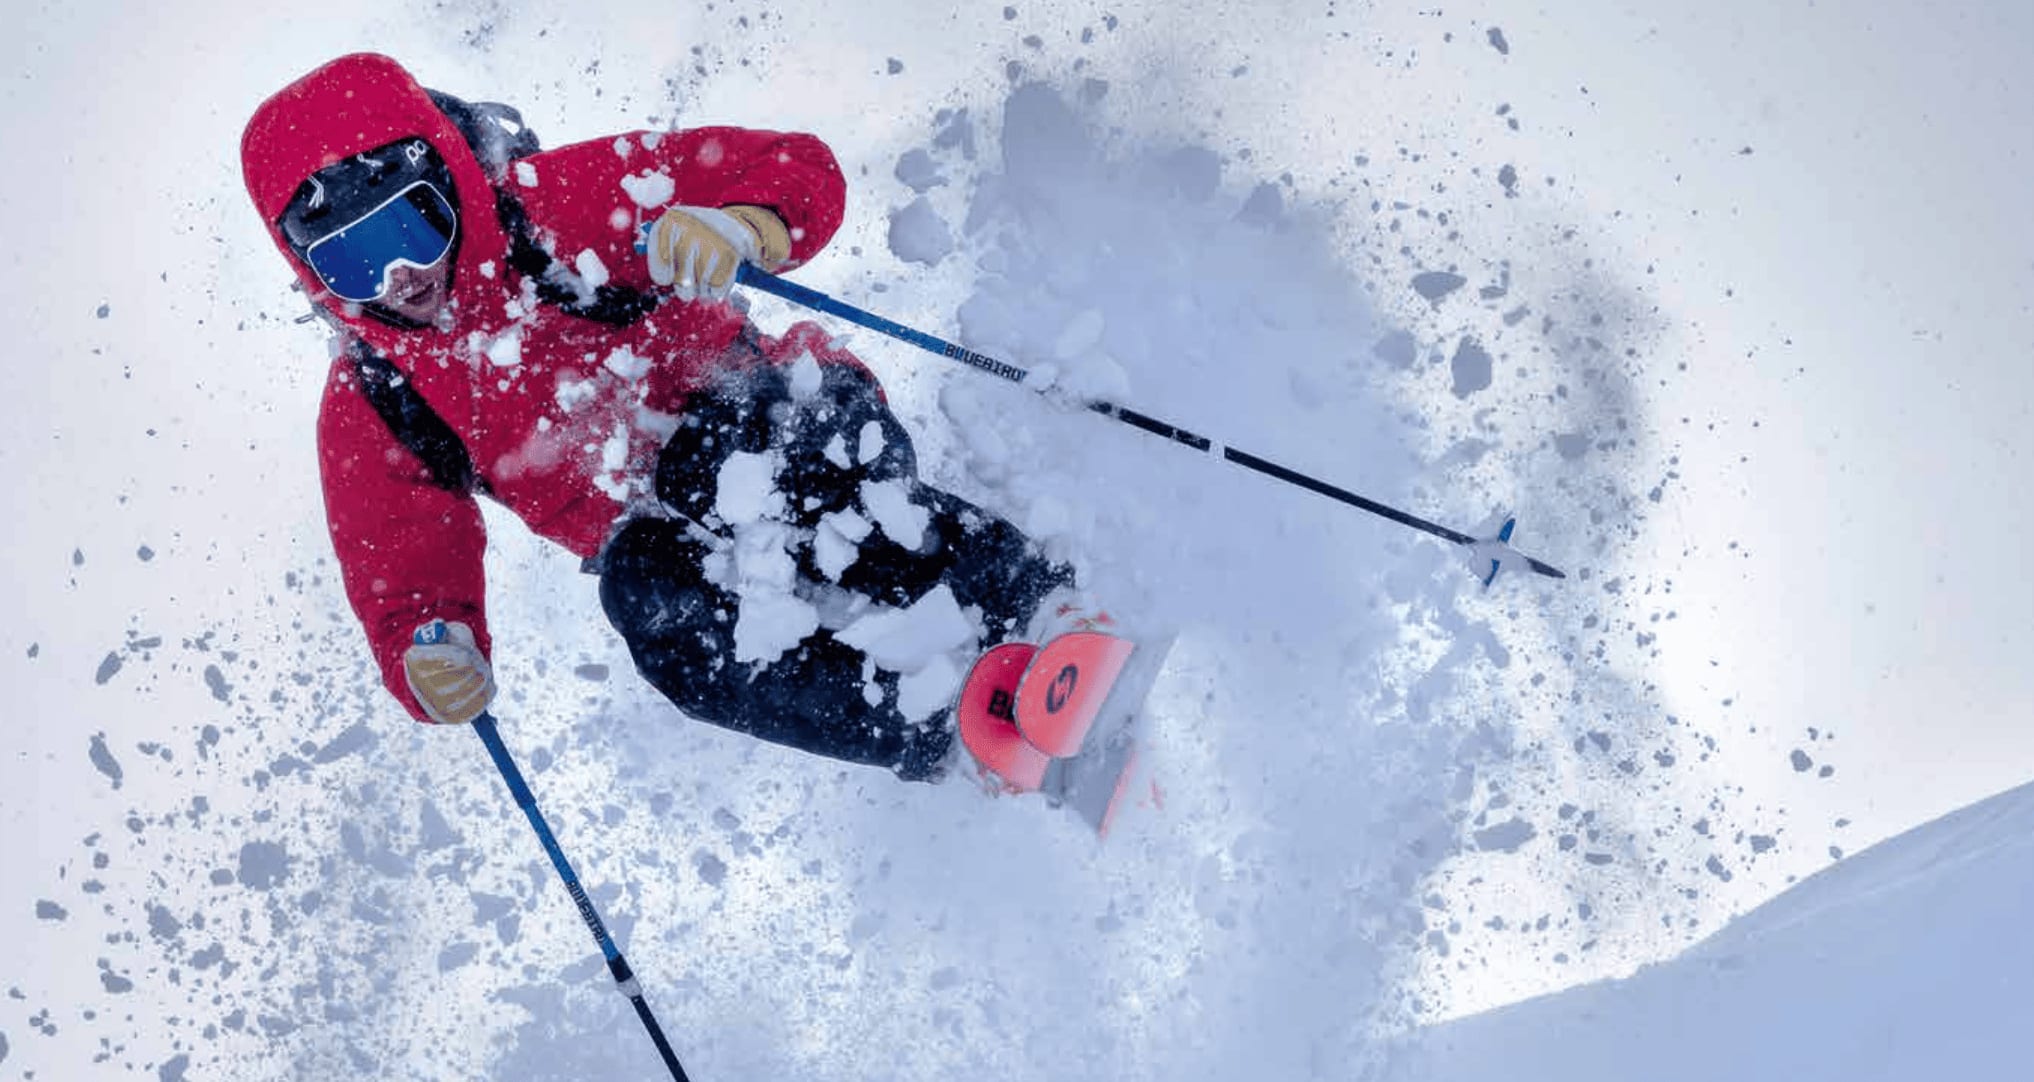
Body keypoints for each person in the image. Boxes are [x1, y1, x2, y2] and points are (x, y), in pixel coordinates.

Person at [240, 53, 1071, 781]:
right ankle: (945, 732)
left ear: (450, 180)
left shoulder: (553, 211)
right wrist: (429, 648)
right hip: (657, 535)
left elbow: (792, 165)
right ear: (309, 272)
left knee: (758, 476)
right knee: (654, 614)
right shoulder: (378, 398)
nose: (396, 276)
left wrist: (746, 224)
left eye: (411, 227)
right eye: (349, 260)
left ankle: (1036, 603)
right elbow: (396, 557)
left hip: (777, 414)